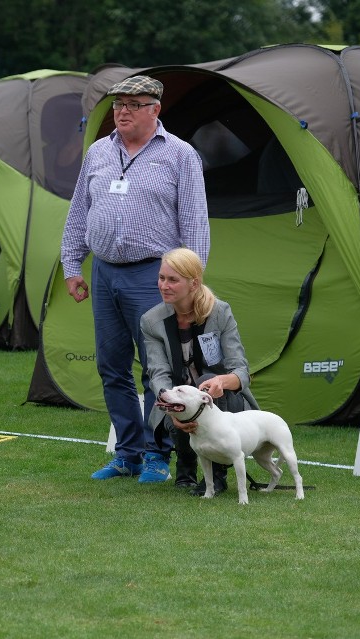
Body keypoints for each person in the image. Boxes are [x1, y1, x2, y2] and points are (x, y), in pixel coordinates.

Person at [60, 75, 209, 482]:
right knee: (112, 366)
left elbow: (195, 222)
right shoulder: (98, 152)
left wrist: (190, 280)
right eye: (117, 104)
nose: (122, 111)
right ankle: (127, 454)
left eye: (132, 104)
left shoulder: (180, 155)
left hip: (155, 275)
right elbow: (79, 212)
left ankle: (158, 454)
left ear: (155, 109)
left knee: (156, 368)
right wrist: (72, 265)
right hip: (105, 271)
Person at [141, 247, 259, 495]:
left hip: (226, 402)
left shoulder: (220, 312)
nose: (164, 285)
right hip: (178, 397)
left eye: (173, 280)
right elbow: (157, 372)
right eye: (162, 278)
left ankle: (217, 475)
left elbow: (242, 371)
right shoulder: (150, 321)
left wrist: (222, 382)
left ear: (193, 283)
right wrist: (169, 404)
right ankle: (185, 469)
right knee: (178, 395)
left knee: (207, 381)